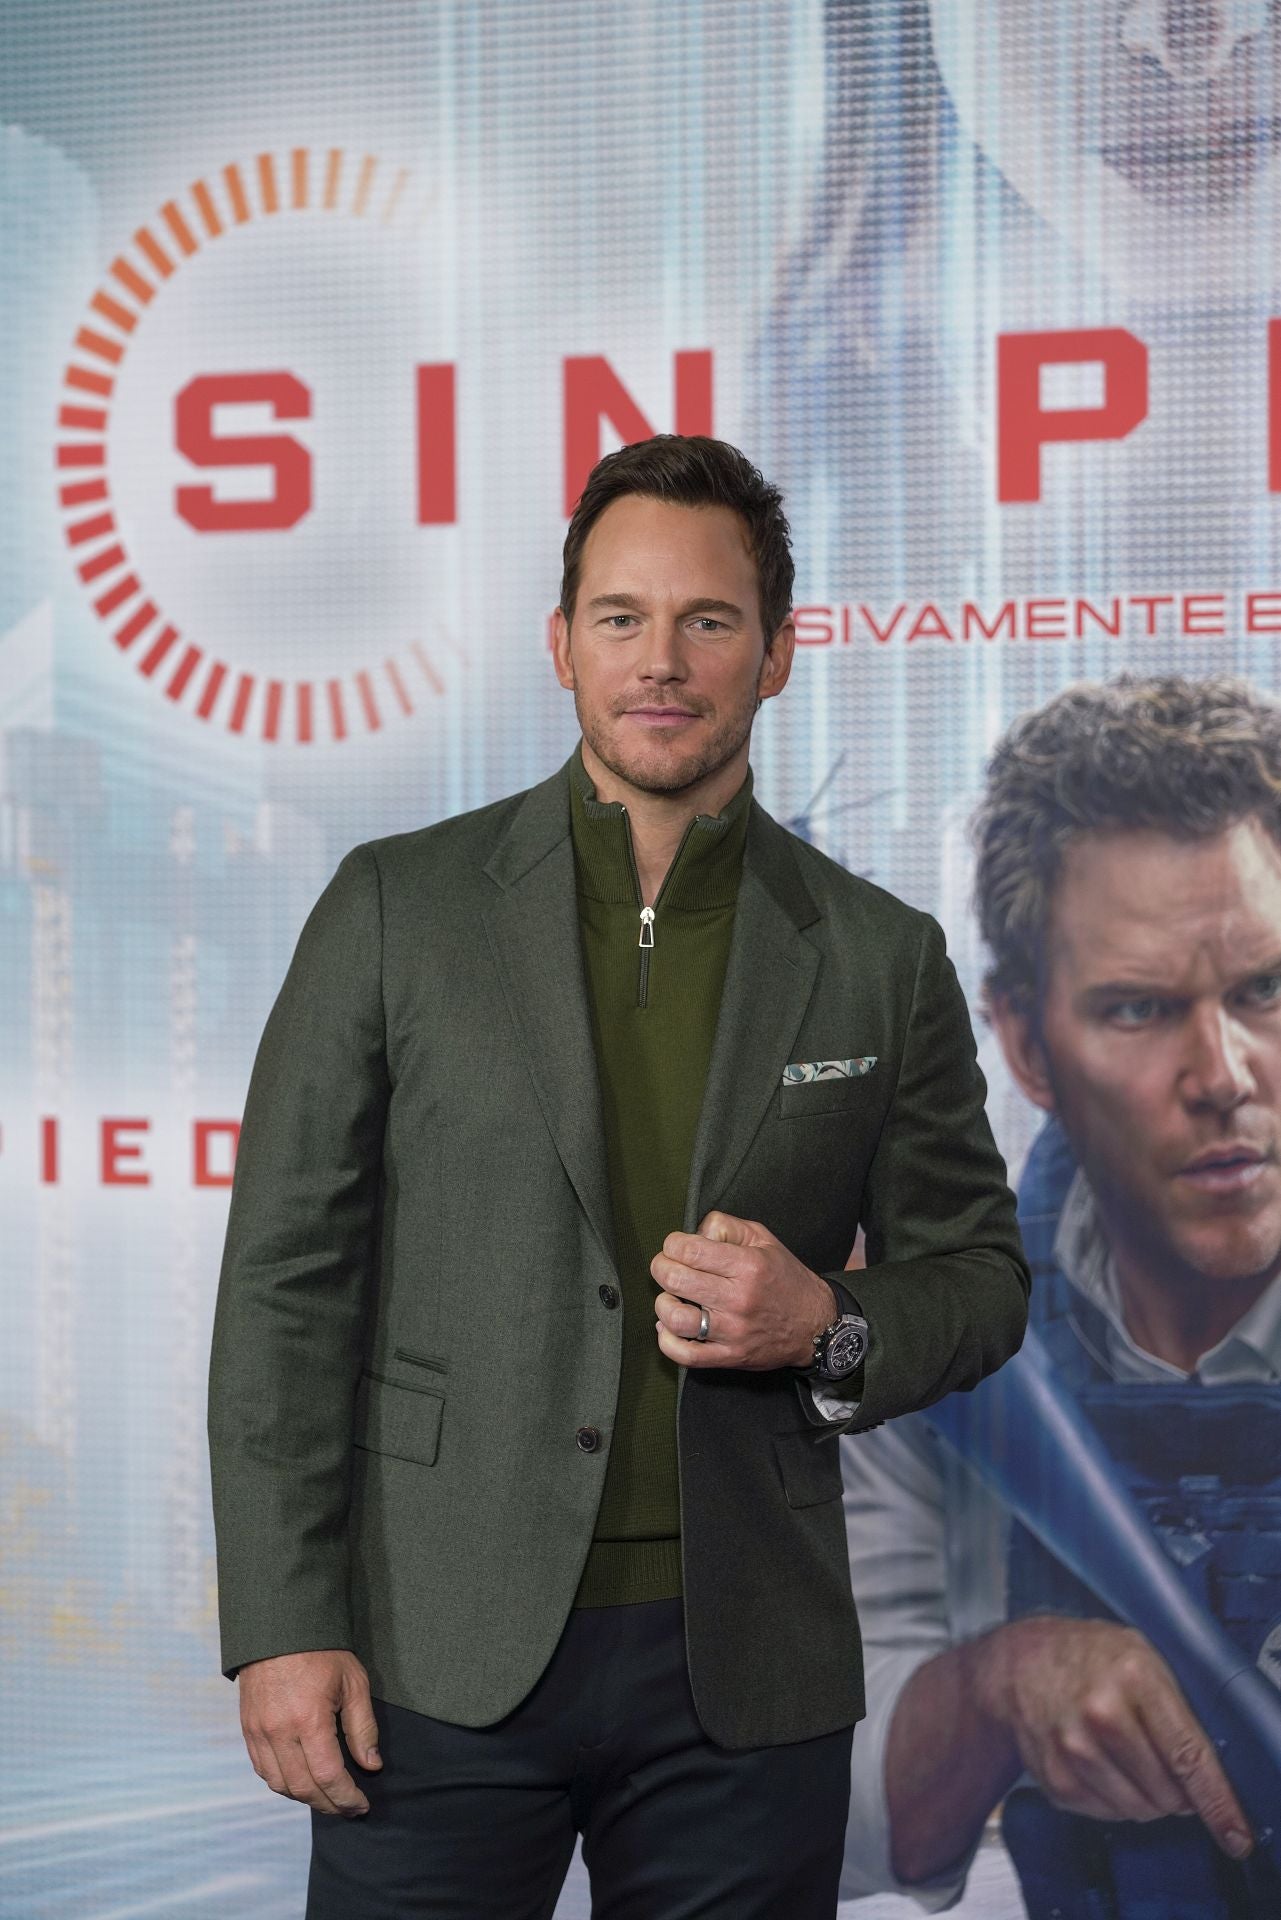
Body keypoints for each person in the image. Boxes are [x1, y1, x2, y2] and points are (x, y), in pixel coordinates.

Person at [207, 432, 1029, 1920]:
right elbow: (284, 1288)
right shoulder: (394, 908)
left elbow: (978, 1280)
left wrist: (826, 1323)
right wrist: (279, 1623)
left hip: (748, 1671)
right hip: (431, 1652)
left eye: (708, 620)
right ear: (561, 645)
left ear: (777, 654)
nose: (661, 661)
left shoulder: (879, 955)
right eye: (621, 617)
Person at [841, 673, 1281, 1918]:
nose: (1223, 1075)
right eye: (1140, 1009)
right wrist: (999, 1691)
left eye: (1266, 989)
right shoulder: (933, 1328)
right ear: (1027, 1045)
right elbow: (821, 1805)